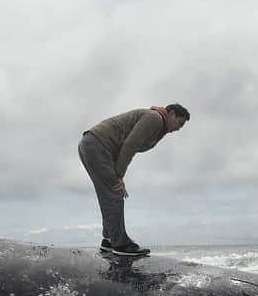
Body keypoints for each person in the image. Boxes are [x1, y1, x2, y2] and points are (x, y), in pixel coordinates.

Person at [77, 103, 190, 256]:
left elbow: (126, 145)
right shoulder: (155, 119)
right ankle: (120, 244)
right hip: (97, 145)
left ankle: (109, 240)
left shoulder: (158, 126)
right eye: (179, 123)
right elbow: (130, 145)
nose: (178, 128)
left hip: (92, 145)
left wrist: (116, 174)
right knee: (115, 193)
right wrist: (119, 176)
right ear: (170, 113)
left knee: (109, 195)